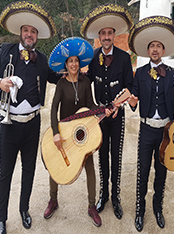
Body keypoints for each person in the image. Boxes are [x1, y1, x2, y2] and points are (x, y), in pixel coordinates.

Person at [0, 1, 60, 234]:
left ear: (37, 36)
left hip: (32, 123)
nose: (29, 34)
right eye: (26, 30)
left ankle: (24, 210)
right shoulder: (5, 51)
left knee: (29, 169)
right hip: (9, 123)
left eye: (34, 31)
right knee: (6, 172)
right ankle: (1, 218)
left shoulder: (43, 58)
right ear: (21, 33)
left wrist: (76, 69)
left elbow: (55, 78)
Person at [43, 37, 112, 227]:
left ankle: (91, 206)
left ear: (79, 64)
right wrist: (56, 132)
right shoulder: (61, 84)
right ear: (66, 64)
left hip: (82, 134)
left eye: (76, 61)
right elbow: (54, 109)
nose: (73, 64)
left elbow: (90, 105)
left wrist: (102, 109)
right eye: (70, 61)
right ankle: (53, 200)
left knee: (90, 168)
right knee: (55, 167)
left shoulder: (86, 81)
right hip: (65, 133)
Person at [127, 16, 174, 231]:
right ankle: (140, 211)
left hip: (166, 133)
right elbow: (134, 96)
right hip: (146, 129)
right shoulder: (140, 73)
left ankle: (157, 208)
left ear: (163, 50)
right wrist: (133, 102)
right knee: (143, 172)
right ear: (148, 50)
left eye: (158, 46)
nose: (155, 49)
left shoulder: (173, 75)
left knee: (162, 172)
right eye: (152, 46)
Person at [80, 4, 134, 220]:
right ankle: (103, 195)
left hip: (117, 116)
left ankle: (116, 197)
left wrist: (117, 105)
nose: (106, 36)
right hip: (99, 118)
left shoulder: (123, 57)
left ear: (114, 35)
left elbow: (130, 86)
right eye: (103, 33)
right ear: (99, 37)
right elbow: (88, 82)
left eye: (110, 33)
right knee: (102, 156)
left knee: (116, 157)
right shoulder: (93, 57)